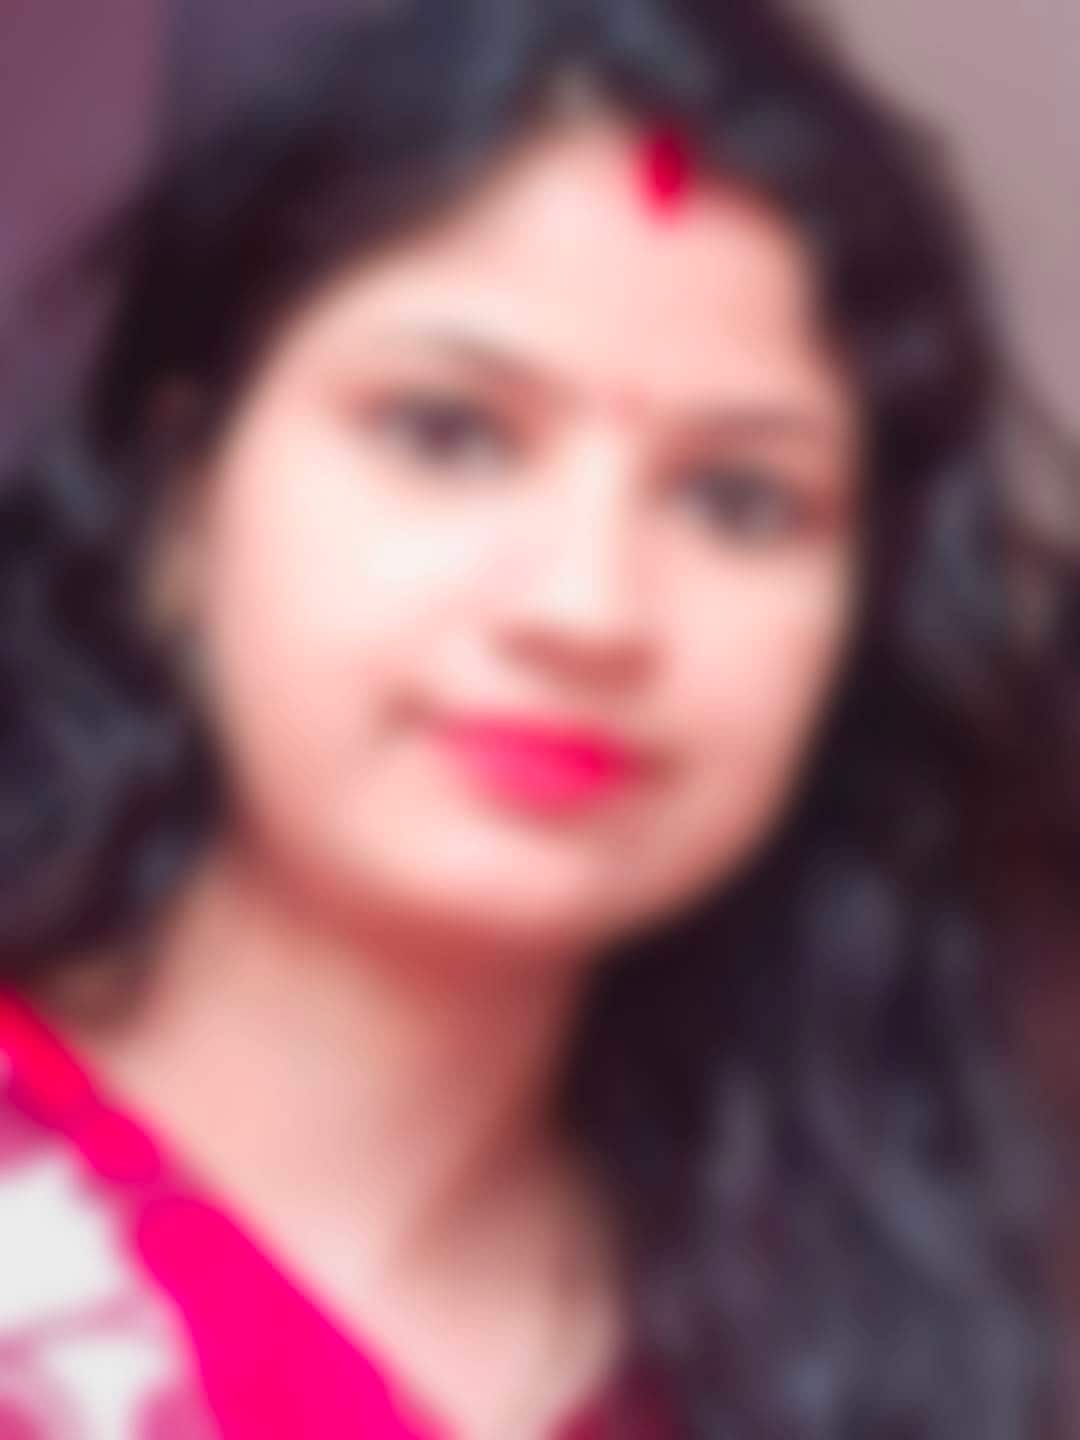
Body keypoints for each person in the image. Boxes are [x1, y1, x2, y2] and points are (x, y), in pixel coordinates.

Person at [0, 1, 1069, 1435]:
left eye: (739, 500)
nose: (588, 608)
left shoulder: (844, 1350)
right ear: (183, 499)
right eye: (446, 432)